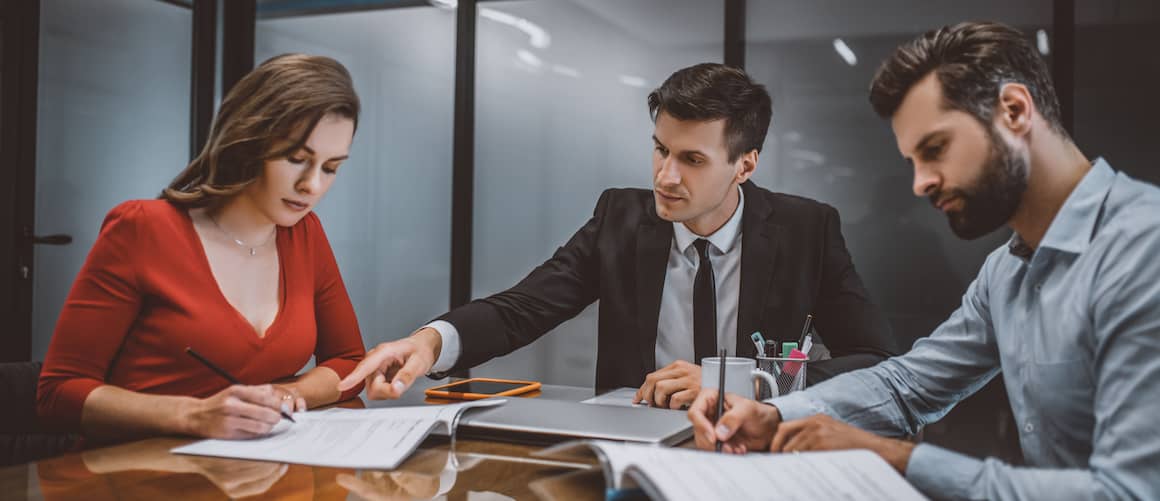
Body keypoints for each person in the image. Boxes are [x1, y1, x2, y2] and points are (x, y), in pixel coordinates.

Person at [688, 21, 1160, 500]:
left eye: (935, 150)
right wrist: (775, 415)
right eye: (913, 161)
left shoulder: (1144, 249)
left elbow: (1128, 492)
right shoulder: (1007, 270)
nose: (920, 183)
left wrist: (895, 458)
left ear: (1014, 111)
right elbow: (907, 385)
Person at [340, 63, 897, 409]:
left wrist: (749, 382)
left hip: (755, 453)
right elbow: (523, 308)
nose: (665, 176)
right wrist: (431, 342)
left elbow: (872, 359)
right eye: (661, 149)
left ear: (745, 165)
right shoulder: (621, 219)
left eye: (692, 159)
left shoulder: (806, 229)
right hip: (635, 447)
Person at [37, 54, 367, 443]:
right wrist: (194, 414)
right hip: (143, 472)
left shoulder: (305, 234)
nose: (312, 186)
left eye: (330, 168)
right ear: (249, 142)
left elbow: (349, 362)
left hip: (264, 473)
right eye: (297, 159)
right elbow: (58, 394)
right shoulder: (143, 229)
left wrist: (285, 395)